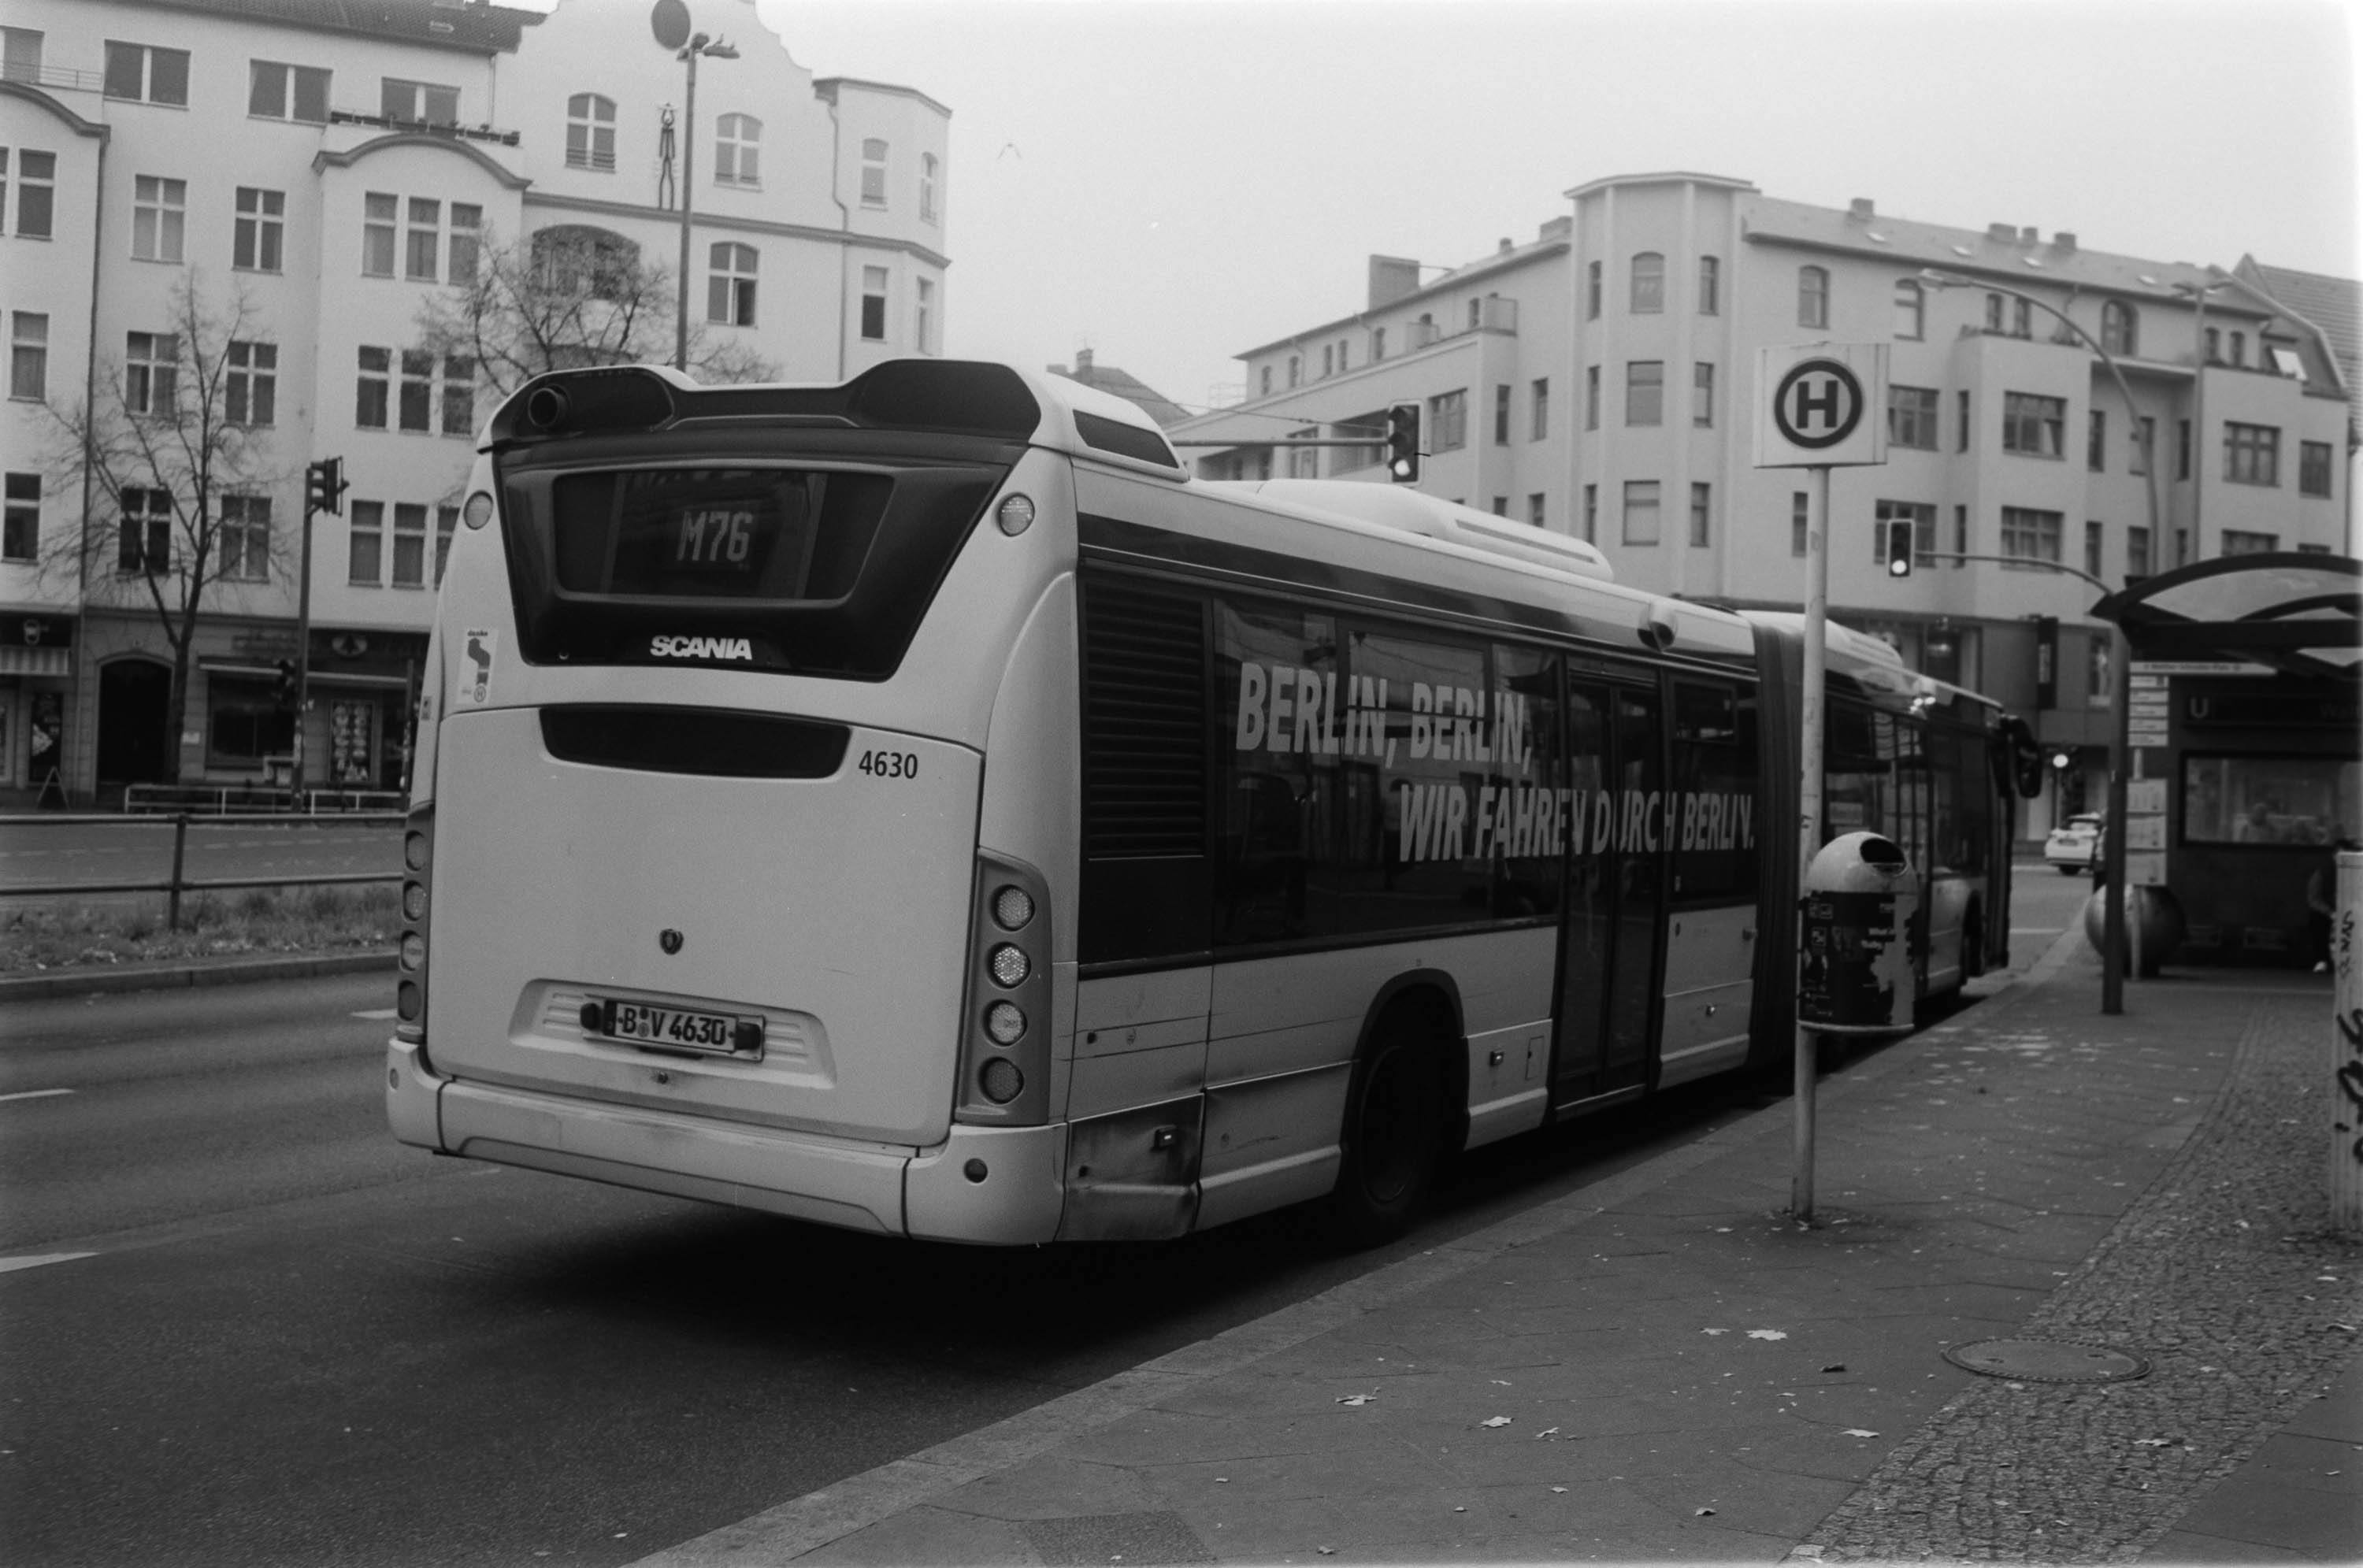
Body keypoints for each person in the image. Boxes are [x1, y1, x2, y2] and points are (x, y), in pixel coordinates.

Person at [2307, 837, 2357, 972]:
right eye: (2340, 854)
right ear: (2334, 855)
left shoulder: (2356, 871)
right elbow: (2314, 899)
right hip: (2329, 912)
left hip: (2352, 911)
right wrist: (2331, 913)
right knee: (2316, 919)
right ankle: (2322, 960)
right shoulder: (2322, 874)